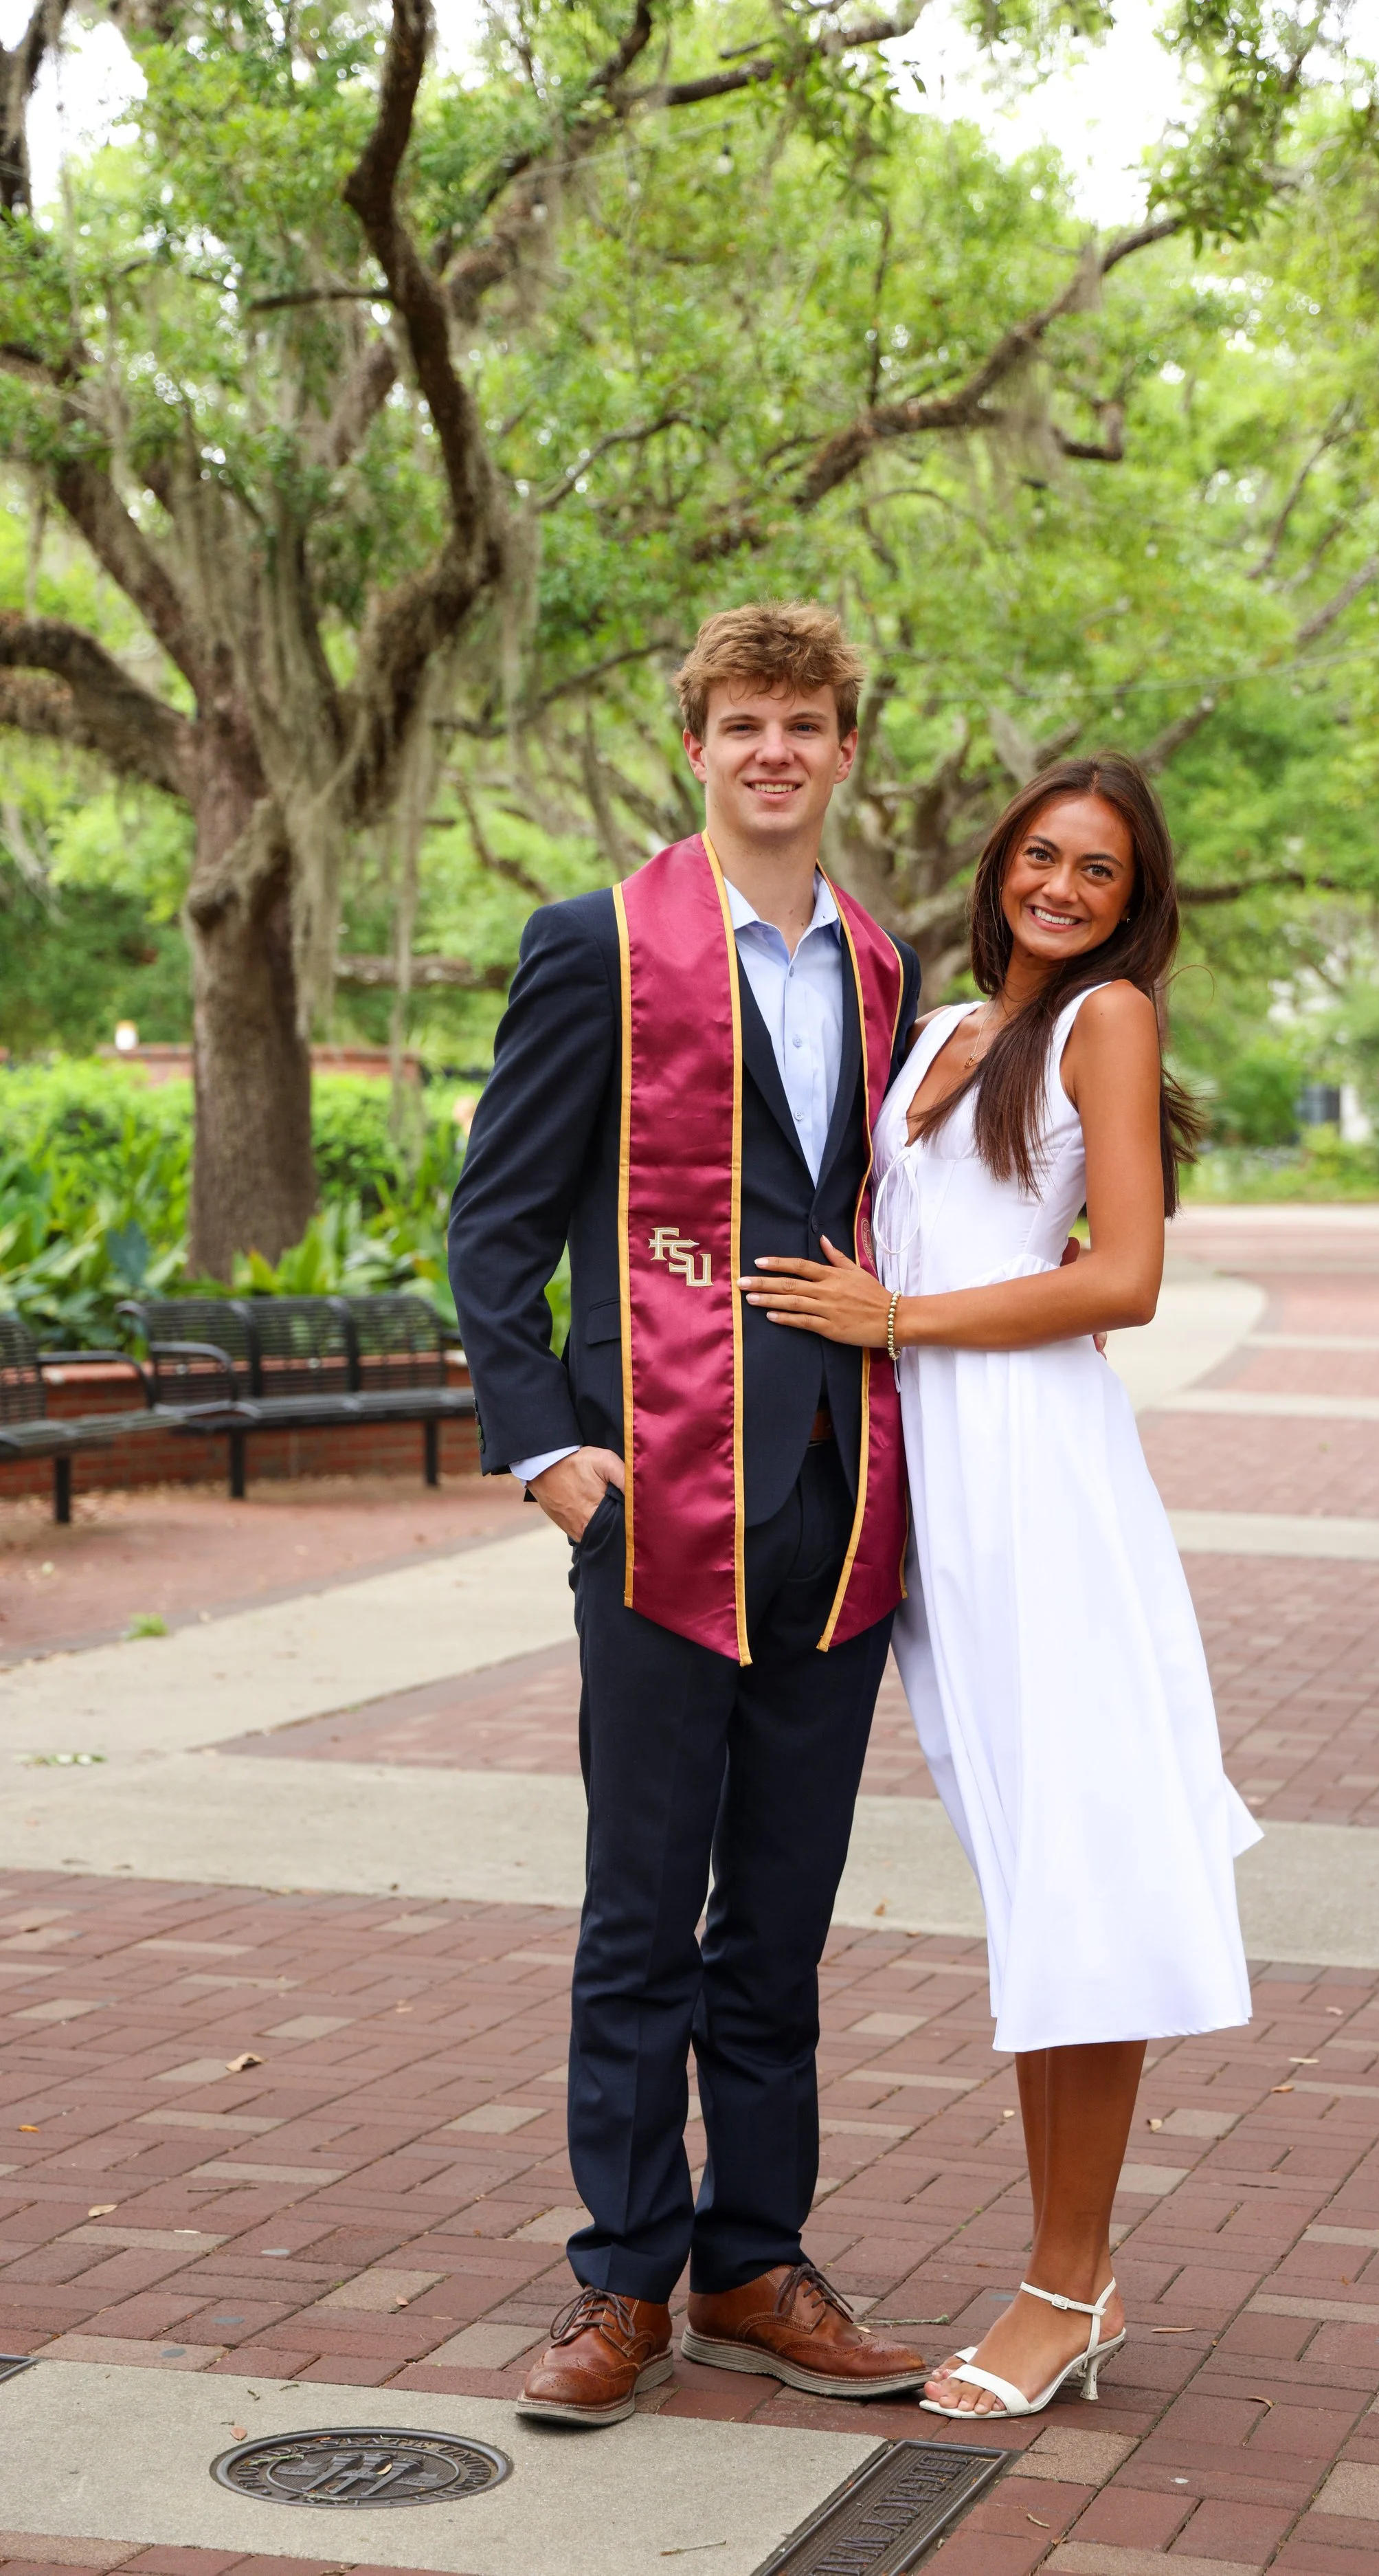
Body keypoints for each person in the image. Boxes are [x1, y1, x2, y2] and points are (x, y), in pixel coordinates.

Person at [447, 602, 928, 2428]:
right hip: (652, 1502)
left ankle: (752, 2256)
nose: (774, 750)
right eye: (743, 722)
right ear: (698, 746)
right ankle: (623, 2276)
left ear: (843, 748)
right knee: (641, 1914)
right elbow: (498, 1219)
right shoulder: (596, 944)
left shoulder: (881, 967)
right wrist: (544, 1450)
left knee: (778, 1922)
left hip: (837, 1500)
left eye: (804, 721)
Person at [738, 752, 1259, 2422]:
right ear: (999, 861)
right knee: (1033, 1884)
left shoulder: (1108, 1019)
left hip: (1036, 1481)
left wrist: (898, 1319)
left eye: (1097, 870)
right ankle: (1071, 2272)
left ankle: (1059, 2284)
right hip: (937, 1493)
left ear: (1133, 901)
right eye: (1040, 853)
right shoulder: (946, 1025)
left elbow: (1126, 1275)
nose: (1059, 886)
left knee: (1078, 1877)